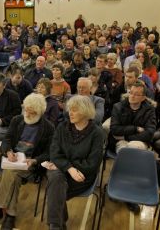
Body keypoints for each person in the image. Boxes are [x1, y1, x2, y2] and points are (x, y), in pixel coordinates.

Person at [0, 93, 55, 229]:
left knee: (10, 173)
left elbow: (49, 153)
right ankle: (10, 215)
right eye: (26, 110)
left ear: (40, 113)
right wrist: (8, 151)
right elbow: (7, 139)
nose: (27, 114)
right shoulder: (17, 120)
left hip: (30, 164)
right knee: (13, 175)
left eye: (31, 113)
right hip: (12, 160)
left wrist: (35, 160)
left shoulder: (48, 128)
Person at [45, 95, 103, 229]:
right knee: (56, 180)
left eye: (75, 110)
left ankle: (56, 224)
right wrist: (69, 168)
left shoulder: (96, 133)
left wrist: (64, 164)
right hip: (64, 171)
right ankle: (57, 225)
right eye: (69, 109)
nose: (69, 113)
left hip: (82, 175)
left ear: (85, 111)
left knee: (55, 186)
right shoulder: (62, 127)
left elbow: (92, 164)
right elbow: (54, 152)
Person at [110, 82, 156, 153]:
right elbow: (115, 129)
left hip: (140, 141)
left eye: (136, 94)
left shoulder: (149, 110)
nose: (132, 96)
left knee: (132, 146)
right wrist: (135, 128)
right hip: (121, 141)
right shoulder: (118, 107)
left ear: (143, 98)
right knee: (123, 151)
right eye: (131, 93)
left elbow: (149, 133)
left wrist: (126, 137)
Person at [0, 73, 22, 141]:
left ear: (4, 86)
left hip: (6, 126)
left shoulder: (13, 96)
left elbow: (17, 115)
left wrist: (2, 121)